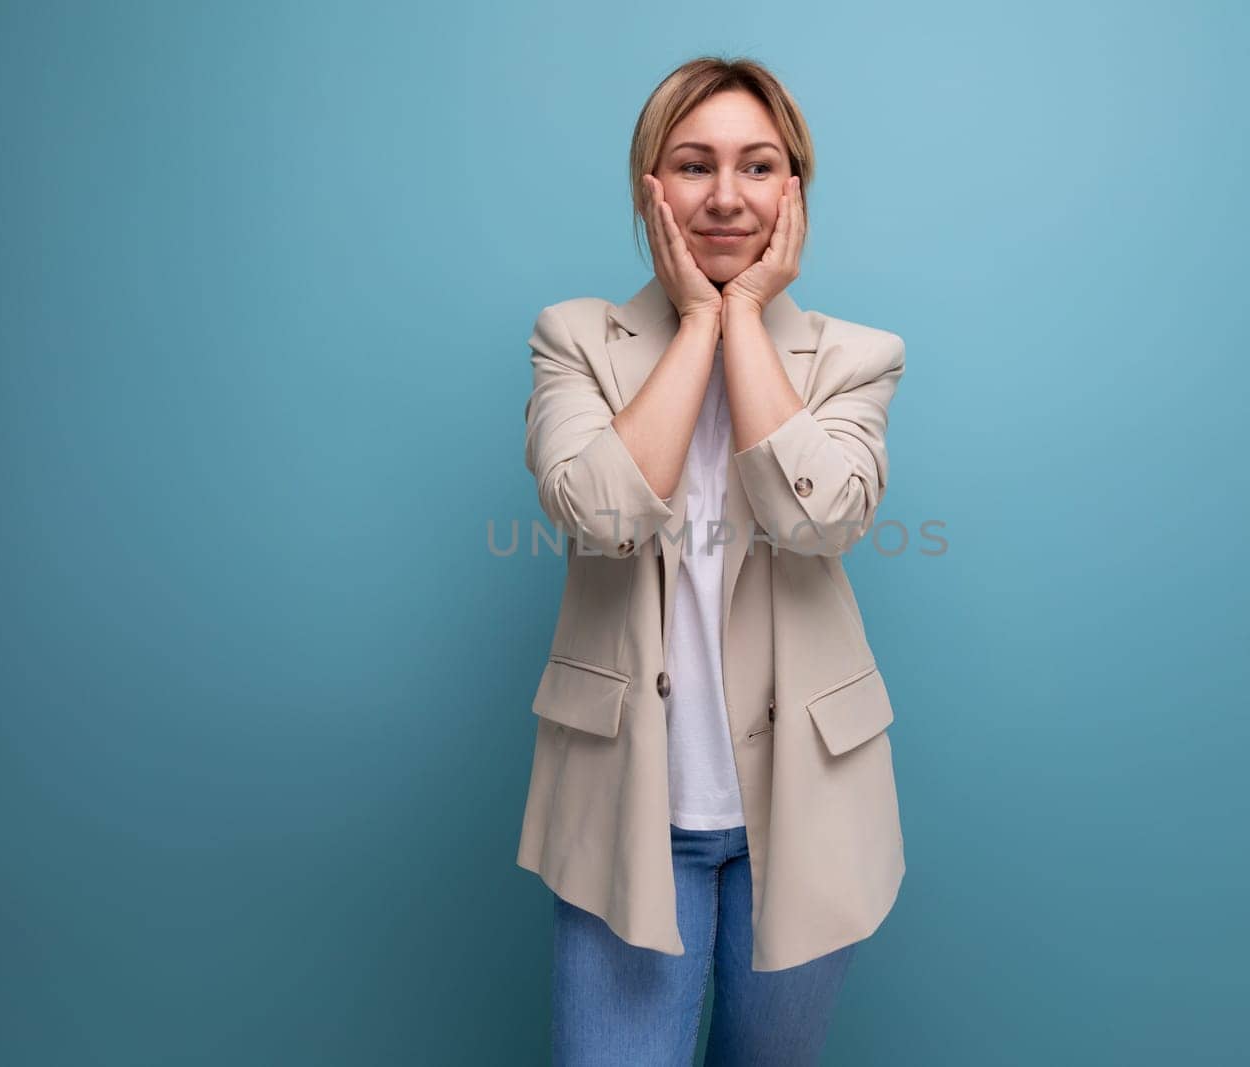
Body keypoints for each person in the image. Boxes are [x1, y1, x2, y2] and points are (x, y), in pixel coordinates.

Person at [516, 55, 908, 1065]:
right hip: (626, 805)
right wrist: (698, 317)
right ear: (650, 184)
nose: (727, 196)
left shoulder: (856, 356)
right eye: (693, 165)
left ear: (793, 190)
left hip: (806, 808)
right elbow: (599, 514)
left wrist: (745, 322)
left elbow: (816, 519)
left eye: (757, 166)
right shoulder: (575, 339)